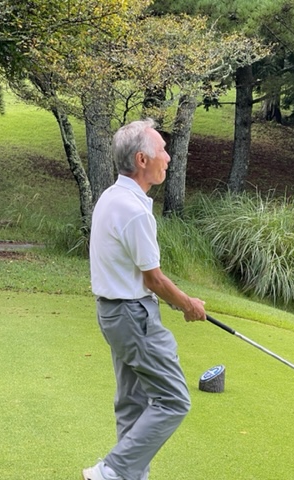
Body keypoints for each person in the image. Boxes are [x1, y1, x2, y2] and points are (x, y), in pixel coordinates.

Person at [84, 119, 206, 480]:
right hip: (132, 315)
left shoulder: (112, 197)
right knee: (173, 399)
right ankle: (112, 471)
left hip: (114, 314)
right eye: (162, 150)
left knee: (133, 404)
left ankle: (125, 475)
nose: (168, 157)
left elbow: (141, 274)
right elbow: (153, 279)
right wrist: (188, 304)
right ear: (142, 159)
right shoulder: (134, 210)